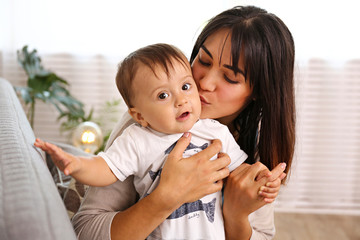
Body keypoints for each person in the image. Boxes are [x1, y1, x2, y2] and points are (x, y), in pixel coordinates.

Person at [71, 5, 295, 240]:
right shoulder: (150, 123)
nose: (205, 83)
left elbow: (264, 235)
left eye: (229, 77)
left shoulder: (256, 148)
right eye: (204, 61)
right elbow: (85, 231)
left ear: (259, 90)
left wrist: (236, 215)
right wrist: (166, 197)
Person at [35, 43, 249, 239]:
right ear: (140, 116)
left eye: (185, 87)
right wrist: (78, 164)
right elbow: (105, 168)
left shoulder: (215, 132)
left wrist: (263, 182)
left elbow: (242, 174)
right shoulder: (137, 139)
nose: (181, 100)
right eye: (163, 96)